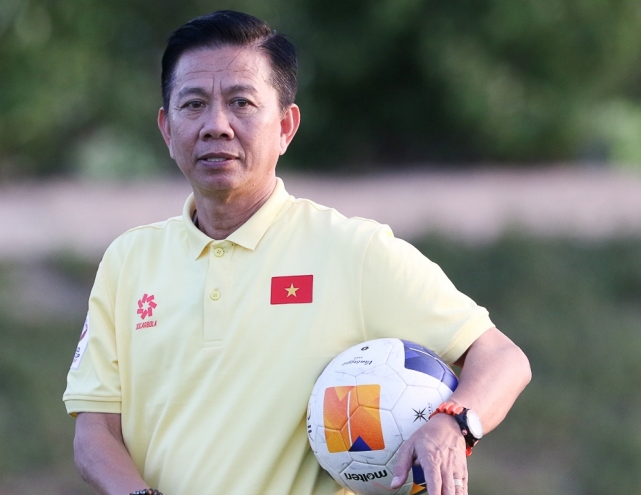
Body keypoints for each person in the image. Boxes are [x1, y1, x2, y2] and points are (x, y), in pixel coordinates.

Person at [63, 10, 531, 495]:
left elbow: (502, 358)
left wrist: (454, 422)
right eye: (194, 104)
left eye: (241, 103)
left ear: (286, 126)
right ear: (166, 128)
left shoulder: (353, 252)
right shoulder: (128, 261)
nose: (216, 125)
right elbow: (95, 432)